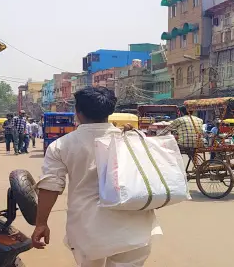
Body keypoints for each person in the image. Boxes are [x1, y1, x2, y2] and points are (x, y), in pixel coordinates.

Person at [32, 86, 160, 267]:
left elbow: (50, 186)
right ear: (110, 111)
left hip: (88, 229)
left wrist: (41, 223)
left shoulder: (61, 146)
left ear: (78, 112)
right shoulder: (133, 139)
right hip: (135, 226)